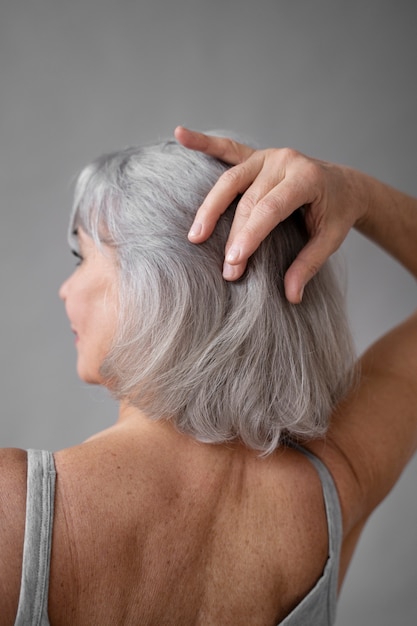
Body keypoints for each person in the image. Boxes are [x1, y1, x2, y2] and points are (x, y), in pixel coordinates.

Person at [0, 128, 415, 626]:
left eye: (82, 256)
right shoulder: (333, 489)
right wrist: (354, 191)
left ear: (156, 286)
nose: (66, 288)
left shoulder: (13, 513)